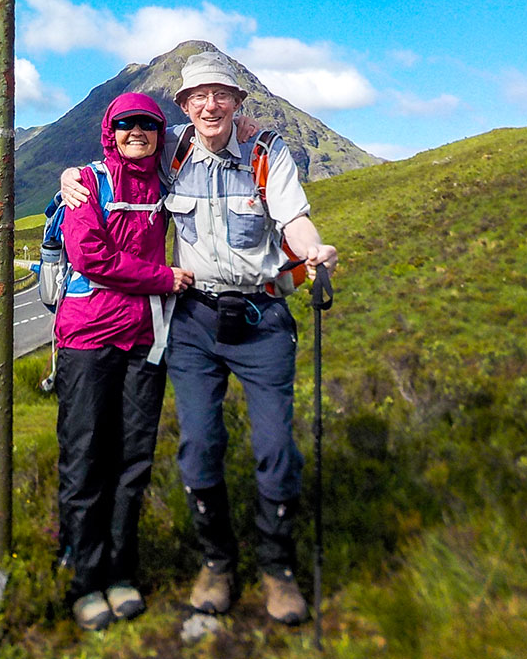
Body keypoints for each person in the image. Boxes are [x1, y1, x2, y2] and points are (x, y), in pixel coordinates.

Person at [61, 49, 338, 625]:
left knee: (275, 450)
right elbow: (112, 179)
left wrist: (312, 247)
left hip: (261, 319)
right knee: (198, 447)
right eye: (197, 96)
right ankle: (214, 563)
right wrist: (70, 179)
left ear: (239, 101)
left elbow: (293, 218)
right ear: (184, 105)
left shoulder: (265, 151)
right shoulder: (172, 149)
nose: (210, 105)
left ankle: (277, 569)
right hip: (191, 322)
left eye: (222, 94)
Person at [53, 91, 195, 631]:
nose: (137, 132)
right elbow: (90, 256)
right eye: (126, 124)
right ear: (108, 132)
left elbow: (221, 130)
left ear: (161, 133)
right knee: (86, 458)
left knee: (132, 462)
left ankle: (120, 573)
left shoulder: (166, 182)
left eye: (148, 124)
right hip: (88, 341)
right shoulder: (86, 183)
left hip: (144, 341)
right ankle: (84, 580)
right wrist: (163, 278)